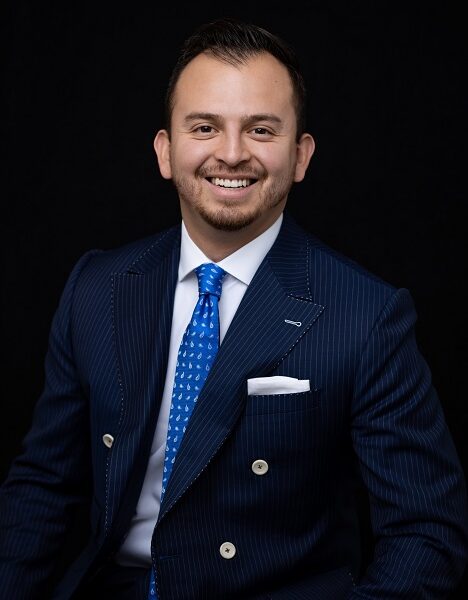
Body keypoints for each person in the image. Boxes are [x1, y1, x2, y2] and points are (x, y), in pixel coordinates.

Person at [0, 18, 467, 600]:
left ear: (301, 155)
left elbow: (426, 532)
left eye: (261, 130)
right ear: (165, 151)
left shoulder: (368, 315)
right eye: (205, 127)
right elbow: (43, 488)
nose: (231, 153)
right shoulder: (95, 287)